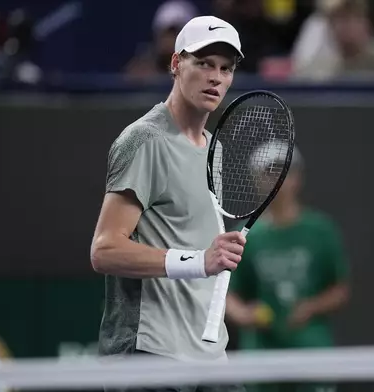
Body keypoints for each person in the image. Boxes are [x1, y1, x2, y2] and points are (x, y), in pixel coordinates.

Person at [90, 14, 246, 391]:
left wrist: (215, 255)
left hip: (209, 361)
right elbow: (105, 250)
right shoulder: (144, 140)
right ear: (176, 64)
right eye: (204, 63)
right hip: (150, 357)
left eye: (225, 68)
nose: (215, 77)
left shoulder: (215, 149)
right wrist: (198, 261)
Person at [226, 144, 350, 392]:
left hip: (311, 354)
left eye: (284, 172)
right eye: (268, 172)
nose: (277, 180)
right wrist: (245, 314)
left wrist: (311, 307)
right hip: (261, 360)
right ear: (255, 179)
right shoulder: (244, 235)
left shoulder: (321, 231)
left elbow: (340, 289)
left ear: (298, 178)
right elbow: (228, 295)